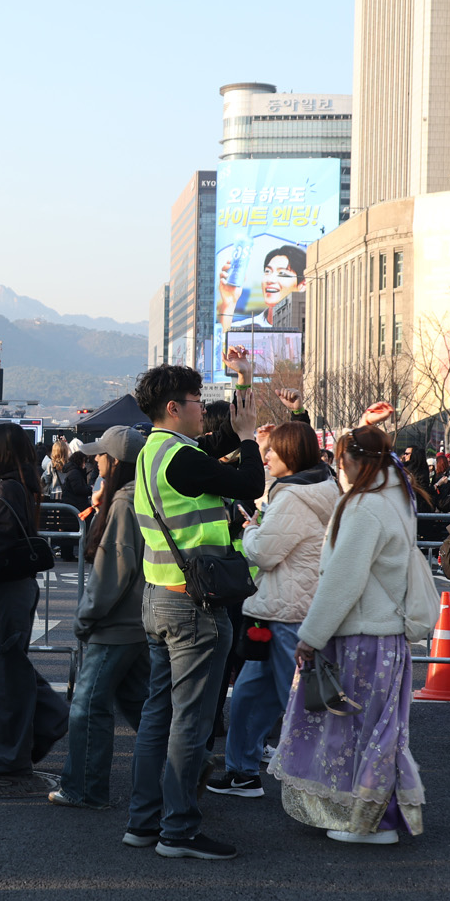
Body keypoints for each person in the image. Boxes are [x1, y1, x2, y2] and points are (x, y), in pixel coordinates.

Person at [128, 363, 263, 862]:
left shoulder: (154, 452)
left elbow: (217, 441)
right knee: (190, 722)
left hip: (160, 597)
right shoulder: (181, 459)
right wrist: (249, 442)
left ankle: (143, 823)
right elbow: (247, 482)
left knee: (157, 716)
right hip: (194, 608)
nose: (203, 410)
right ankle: (178, 829)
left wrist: (244, 389)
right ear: (173, 407)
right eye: (196, 402)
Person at [282, 421, 430, 842]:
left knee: (355, 731)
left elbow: (342, 580)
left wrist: (310, 636)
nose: (336, 465)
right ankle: (379, 817)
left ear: (352, 460)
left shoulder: (364, 507)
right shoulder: (396, 497)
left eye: (339, 457)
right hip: (385, 637)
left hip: (361, 636)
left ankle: (366, 821)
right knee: (382, 730)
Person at [207, 421, 336, 798]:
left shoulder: (294, 497)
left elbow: (264, 551)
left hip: (288, 611)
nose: (265, 457)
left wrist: (249, 529)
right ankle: (242, 773)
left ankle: (323, 783)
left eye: (272, 451)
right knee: (250, 694)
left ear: (291, 455)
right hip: (284, 606)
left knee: (299, 701)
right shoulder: (316, 486)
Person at [52, 426, 149, 809]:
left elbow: (113, 571)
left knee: (88, 707)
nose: (95, 458)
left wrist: (85, 617)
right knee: (143, 704)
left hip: (116, 624)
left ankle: (83, 788)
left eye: (101, 454)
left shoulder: (123, 502)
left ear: (117, 461)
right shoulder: (142, 494)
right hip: (140, 619)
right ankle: (190, 764)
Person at [0, 422, 69, 774]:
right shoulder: (18, 483)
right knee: (8, 667)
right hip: (14, 587)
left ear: (2, 452)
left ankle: (5, 754)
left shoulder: (8, 489)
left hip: (4, 590)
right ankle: (41, 724)